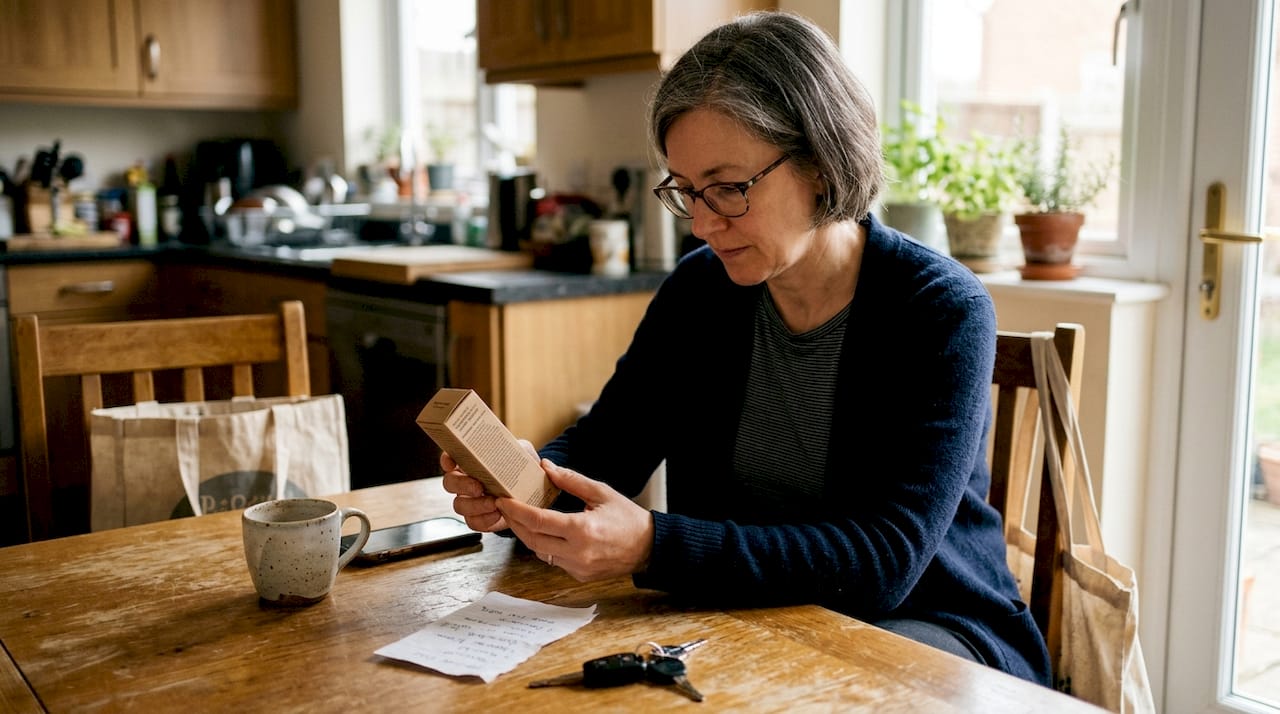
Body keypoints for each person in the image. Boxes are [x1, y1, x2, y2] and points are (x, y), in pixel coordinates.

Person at [442, 10, 1051, 687]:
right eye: (687, 192)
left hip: (931, 631)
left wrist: (653, 546)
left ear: (820, 163)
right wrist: (526, 483)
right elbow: (606, 448)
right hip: (746, 618)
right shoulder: (701, 292)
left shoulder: (940, 310)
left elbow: (885, 562)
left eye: (729, 189)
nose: (703, 225)